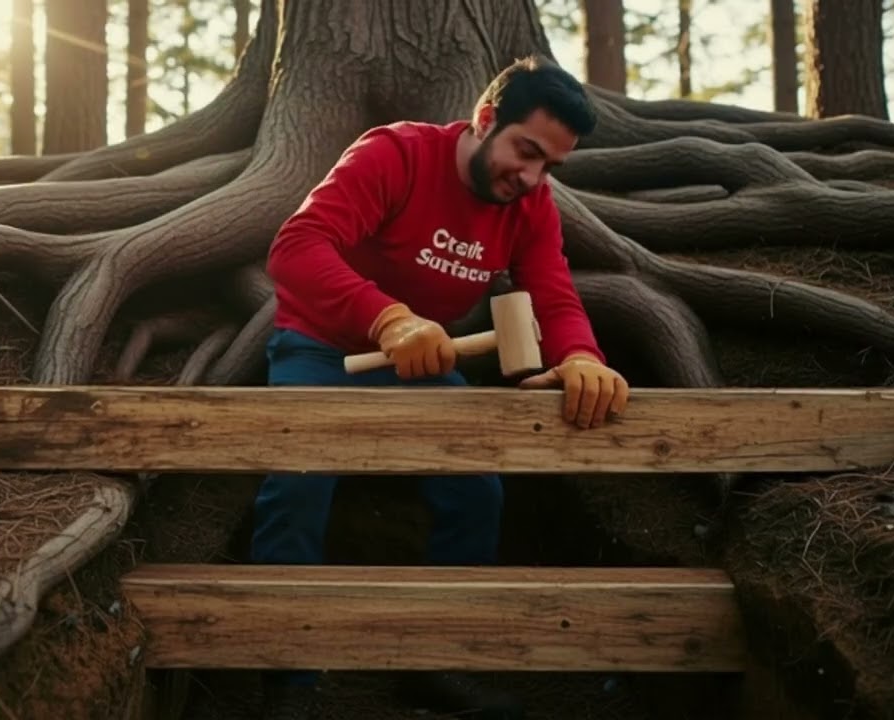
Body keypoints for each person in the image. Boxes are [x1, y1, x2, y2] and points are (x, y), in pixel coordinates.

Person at [253, 54, 630, 720]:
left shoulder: (531, 205)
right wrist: (389, 318)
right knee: (299, 477)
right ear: (486, 120)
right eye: (526, 151)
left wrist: (580, 356)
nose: (534, 176)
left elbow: (554, 293)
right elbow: (297, 247)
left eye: (551, 166)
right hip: (323, 350)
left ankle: (435, 662)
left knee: (476, 486)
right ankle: (286, 677)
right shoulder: (396, 154)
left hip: (423, 368)